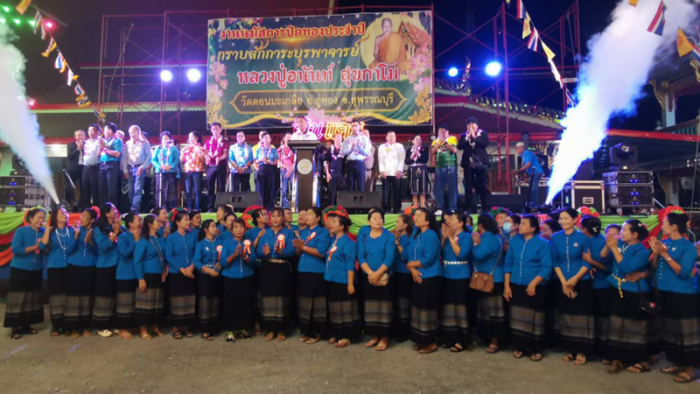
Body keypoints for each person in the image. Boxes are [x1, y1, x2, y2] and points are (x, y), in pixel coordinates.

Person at [649, 212, 699, 383]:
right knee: (670, 331)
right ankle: (678, 362)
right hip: (664, 292)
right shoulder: (664, 243)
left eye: (664, 223)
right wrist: (656, 252)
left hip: (682, 295)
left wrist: (664, 254)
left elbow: (683, 272)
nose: (661, 226)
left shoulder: (688, 247)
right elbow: (654, 267)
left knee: (684, 333)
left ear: (673, 227)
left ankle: (690, 369)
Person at [602, 220, 654, 374]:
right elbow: (602, 258)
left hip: (634, 292)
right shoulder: (620, 245)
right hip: (616, 288)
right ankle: (617, 357)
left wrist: (614, 249)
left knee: (633, 326)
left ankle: (639, 359)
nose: (621, 233)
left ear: (635, 234)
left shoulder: (642, 251)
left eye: (624, 230)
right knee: (616, 324)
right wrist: (608, 245)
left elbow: (627, 268)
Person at [503, 214, 552, 361]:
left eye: (523, 224)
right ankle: (519, 346)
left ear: (532, 228)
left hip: (535, 287)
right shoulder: (515, 241)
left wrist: (533, 284)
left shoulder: (542, 243)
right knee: (518, 317)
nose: (520, 226)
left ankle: (535, 348)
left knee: (535, 318)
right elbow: (508, 264)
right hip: (516, 285)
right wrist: (507, 285)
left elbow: (546, 267)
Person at [551, 208, 594, 366]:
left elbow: (587, 261)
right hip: (562, 282)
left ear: (575, 220)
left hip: (581, 282)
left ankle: (582, 350)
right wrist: (564, 282)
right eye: (560, 219)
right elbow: (554, 261)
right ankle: (570, 348)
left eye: (566, 218)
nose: (562, 221)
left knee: (581, 316)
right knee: (566, 314)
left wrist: (575, 279)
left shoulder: (583, 238)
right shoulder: (555, 238)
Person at [403, 208, 442, 354]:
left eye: (419, 216)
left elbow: (428, 258)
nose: (415, 217)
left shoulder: (431, 235)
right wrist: (412, 268)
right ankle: (421, 339)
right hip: (417, 275)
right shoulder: (417, 235)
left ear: (427, 221)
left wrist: (411, 265)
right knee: (418, 308)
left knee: (428, 309)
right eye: (415, 215)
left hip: (430, 277)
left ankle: (430, 342)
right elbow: (408, 254)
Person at [4, 208, 47, 339]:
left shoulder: (44, 232)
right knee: (18, 299)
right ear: (31, 219)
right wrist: (35, 246)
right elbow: (16, 250)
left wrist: (43, 245)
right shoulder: (21, 231)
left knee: (31, 298)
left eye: (43, 218)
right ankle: (15, 327)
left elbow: (45, 250)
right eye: (38, 217)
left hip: (36, 269)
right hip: (20, 269)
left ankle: (27, 325)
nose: (41, 220)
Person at [357, 208, 395, 351]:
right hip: (368, 276)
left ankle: (384, 337)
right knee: (370, 306)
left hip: (384, 276)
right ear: (368, 221)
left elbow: (390, 257)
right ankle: (374, 336)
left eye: (380, 218)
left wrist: (377, 274)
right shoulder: (363, 233)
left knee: (384, 307)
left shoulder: (388, 236)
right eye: (375, 218)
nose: (378, 220)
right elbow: (360, 256)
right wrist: (370, 274)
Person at [256, 208, 296, 342]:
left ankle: (282, 329)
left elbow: (292, 251)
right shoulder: (265, 233)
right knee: (268, 297)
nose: (275, 219)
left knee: (282, 298)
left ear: (283, 219)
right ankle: (270, 328)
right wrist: (264, 252)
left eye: (278, 216)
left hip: (282, 268)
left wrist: (280, 251)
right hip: (267, 267)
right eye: (272, 216)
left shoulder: (289, 233)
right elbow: (258, 252)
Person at [293, 207, 331, 344]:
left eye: (310, 214)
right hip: (303, 270)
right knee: (304, 302)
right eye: (306, 214)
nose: (306, 216)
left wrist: (302, 247)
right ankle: (306, 331)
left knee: (316, 304)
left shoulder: (323, 233)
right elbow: (297, 253)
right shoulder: (304, 232)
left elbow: (321, 252)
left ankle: (317, 332)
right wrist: (298, 246)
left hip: (316, 271)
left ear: (318, 218)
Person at [471, 213, 507, 354]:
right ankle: (487, 337)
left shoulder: (487, 239)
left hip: (491, 278)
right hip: (491, 277)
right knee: (485, 310)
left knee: (493, 311)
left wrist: (475, 243)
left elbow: (479, 255)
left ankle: (495, 340)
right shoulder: (496, 237)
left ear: (481, 226)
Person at [324, 210, 360, 348]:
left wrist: (350, 284)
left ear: (342, 227)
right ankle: (337, 333)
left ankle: (348, 335)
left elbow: (350, 263)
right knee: (334, 308)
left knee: (346, 309)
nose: (330, 224)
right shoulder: (334, 240)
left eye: (334, 222)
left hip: (344, 280)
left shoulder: (348, 242)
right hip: (331, 279)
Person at [440, 211, 473, 353]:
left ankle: (462, 339)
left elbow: (461, 254)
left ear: (460, 223)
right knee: (448, 307)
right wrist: (444, 238)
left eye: (452, 219)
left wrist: (452, 239)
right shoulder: (448, 236)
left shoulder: (466, 237)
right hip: (446, 274)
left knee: (460, 308)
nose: (449, 221)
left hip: (461, 276)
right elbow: (441, 252)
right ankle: (449, 336)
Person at [41, 207, 77, 337]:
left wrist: (76, 236)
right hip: (54, 268)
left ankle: (67, 324)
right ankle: (56, 325)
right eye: (62, 212)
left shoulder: (71, 230)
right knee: (56, 297)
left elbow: (72, 249)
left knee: (68, 296)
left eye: (66, 212)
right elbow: (42, 246)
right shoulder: (51, 231)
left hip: (69, 267)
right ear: (55, 216)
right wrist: (46, 231)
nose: (65, 214)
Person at [580, 216, 612, 363]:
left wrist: (590, 262)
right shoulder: (602, 240)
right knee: (600, 320)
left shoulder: (604, 243)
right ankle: (600, 351)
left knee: (595, 319)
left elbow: (608, 268)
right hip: (590, 284)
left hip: (599, 286)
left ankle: (598, 351)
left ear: (584, 228)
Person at [219, 218, 256, 342]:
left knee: (245, 303)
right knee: (231, 304)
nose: (239, 230)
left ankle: (242, 328)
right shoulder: (227, 242)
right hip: (231, 278)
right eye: (236, 227)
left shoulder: (248, 242)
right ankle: (229, 330)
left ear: (245, 229)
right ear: (231, 230)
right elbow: (223, 262)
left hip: (246, 277)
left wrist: (246, 256)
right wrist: (234, 255)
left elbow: (254, 261)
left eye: (241, 227)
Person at [64, 207, 99, 338]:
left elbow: (97, 252)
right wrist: (75, 236)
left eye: (86, 217)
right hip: (75, 266)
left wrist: (90, 241)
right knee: (74, 297)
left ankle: (85, 326)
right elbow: (69, 250)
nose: (82, 218)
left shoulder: (96, 232)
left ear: (92, 220)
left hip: (90, 266)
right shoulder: (74, 230)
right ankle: (73, 327)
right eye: (82, 216)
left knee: (87, 296)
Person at [165, 211, 198, 339]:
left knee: (189, 299)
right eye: (185, 220)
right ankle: (176, 327)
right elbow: (169, 256)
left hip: (191, 271)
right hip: (176, 274)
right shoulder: (171, 237)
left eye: (188, 219)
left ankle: (187, 326)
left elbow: (197, 252)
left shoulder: (193, 234)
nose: (188, 222)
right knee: (177, 300)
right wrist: (182, 269)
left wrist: (191, 267)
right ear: (177, 222)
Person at [134, 214, 166, 340]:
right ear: (150, 224)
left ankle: (154, 325)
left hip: (159, 274)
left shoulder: (160, 238)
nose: (159, 223)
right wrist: (141, 279)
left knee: (156, 302)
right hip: (148, 275)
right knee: (145, 303)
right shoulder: (143, 241)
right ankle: (143, 328)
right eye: (156, 221)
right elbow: (137, 261)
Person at [92, 203, 122, 338]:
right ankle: (101, 325)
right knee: (104, 296)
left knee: (114, 295)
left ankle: (112, 323)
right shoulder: (99, 229)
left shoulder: (117, 226)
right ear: (107, 214)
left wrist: (119, 229)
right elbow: (103, 246)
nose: (116, 212)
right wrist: (115, 233)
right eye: (113, 210)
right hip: (105, 266)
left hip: (117, 265)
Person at [193, 219, 224, 341]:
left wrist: (220, 264)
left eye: (215, 226)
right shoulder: (201, 244)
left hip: (218, 275)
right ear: (206, 230)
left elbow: (224, 257)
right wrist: (206, 269)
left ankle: (214, 328)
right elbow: (196, 261)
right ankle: (204, 329)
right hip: (205, 276)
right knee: (205, 301)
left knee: (216, 300)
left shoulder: (220, 242)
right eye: (212, 226)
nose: (215, 228)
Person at [115, 212, 142, 339]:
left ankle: (131, 325)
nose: (141, 222)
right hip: (125, 273)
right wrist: (135, 242)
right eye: (138, 220)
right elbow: (125, 254)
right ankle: (122, 328)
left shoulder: (142, 236)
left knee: (134, 302)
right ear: (130, 223)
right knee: (124, 302)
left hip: (138, 273)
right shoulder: (123, 236)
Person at [459, 117, 490, 213]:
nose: (471, 126)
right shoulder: (464, 135)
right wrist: (468, 137)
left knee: (481, 186)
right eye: (469, 124)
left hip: (480, 164)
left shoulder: (483, 134)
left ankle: (485, 208)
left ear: (477, 125)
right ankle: (469, 208)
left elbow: (485, 144)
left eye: (473, 124)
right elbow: (460, 146)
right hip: (468, 164)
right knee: (468, 187)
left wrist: (475, 137)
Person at [392, 213, 413, 342]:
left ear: (405, 225)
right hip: (395, 272)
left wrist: (397, 242)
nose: (395, 224)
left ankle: (405, 330)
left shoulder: (410, 238)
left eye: (398, 222)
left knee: (404, 302)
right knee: (396, 302)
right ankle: (397, 328)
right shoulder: (398, 236)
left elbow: (405, 256)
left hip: (405, 274)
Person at [123, 125, 151, 212]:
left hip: (140, 167)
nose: (131, 134)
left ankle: (135, 208)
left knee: (138, 189)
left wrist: (142, 167)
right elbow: (125, 157)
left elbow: (149, 156)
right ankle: (132, 206)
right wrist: (125, 170)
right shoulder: (128, 143)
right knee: (131, 190)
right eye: (130, 133)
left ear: (138, 132)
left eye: (133, 132)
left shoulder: (145, 143)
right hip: (130, 167)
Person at [431, 124, 458, 212]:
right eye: (439, 132)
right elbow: (432, 152)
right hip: (439, 167)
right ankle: (440, 207)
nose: (441, 134)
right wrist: (438, 143)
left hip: (450, 167)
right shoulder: (435, 141)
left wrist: (445, 142)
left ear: (447, 132)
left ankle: (452, 207)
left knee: (452, 187)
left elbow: (454, 150)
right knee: (438, 188)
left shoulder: (452, 139)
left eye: (443, 132)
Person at [378, 131, 405, 213]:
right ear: (386, 137)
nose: (392, 138)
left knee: (397, 191)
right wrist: (382, 170)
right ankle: (386, 208)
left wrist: (400, 170)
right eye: (390, 136)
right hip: (386, 172)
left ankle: (397, 209)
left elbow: (402, 159)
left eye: (393, 136)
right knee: (386, 192)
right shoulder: (382, 146)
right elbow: (380, 160)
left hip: (396, 172)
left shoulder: (400, 146)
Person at [152, 132, 180, 210]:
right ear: (161, 140)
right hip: (160, 173)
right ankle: (160, 209)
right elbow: (153, 160)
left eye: (167, 138)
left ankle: (171, 210)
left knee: (171, 192)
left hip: (171, 173)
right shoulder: (158, 148)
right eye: (164, 139)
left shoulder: (174, 149)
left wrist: (170, 166)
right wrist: (159, 166)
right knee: (160, 192)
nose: (166, 140)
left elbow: (177, 160)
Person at [205, 122, 229, 212]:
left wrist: (219, 158)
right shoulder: (208, 142)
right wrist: (206, 157)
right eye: (213, 129)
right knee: (210, 186)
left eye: (217, 129)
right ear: (211, 130)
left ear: (220, 130)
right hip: (211, 166)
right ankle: (210, 207)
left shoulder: (224, 141)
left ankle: (221, 207)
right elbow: (206, 153)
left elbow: (225, 154)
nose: (215, 131)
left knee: (221, 186)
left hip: (221, 166)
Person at [341, 121, 371, 191]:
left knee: (361, 185)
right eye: (352, 126)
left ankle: (361, 202)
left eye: (356, 126)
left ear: (359, 127)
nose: (354, 128)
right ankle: (350, 202)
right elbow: (342, 153)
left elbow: (367, 152)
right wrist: (350, 148)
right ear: (351, 127)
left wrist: (360, 147)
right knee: (350, 186)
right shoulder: (347, 139)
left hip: (360, 163)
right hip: (350, 163)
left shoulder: (364, 138)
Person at [98, 122, 123, 206]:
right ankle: (103, 207)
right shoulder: (105, 141)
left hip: (112, 165)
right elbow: (99, 154)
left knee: (111, 188)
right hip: (102, 165)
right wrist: (100, 147)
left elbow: (117, 154)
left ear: (109, 130)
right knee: (102, 187)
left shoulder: (117, 141)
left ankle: (112, 208)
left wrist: (105, 148)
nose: (103, 132)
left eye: (104, 130)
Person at [180, 131, 205, 211]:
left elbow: (202, 160)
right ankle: (189, 207)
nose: (191, 139)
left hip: (197, 170)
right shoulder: (186, 148)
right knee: (188, 190)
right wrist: (183, 151)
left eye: (192, 137)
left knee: (197, 190)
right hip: (188, 171)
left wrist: (199, 152)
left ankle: (197, 208)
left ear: (196, 138)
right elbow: (182, 160)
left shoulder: (201, 147)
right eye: (189, 137)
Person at [253, 132, 279, 211]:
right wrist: (261, 160)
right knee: (260, 189)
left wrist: (271, 162)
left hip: (270, 169)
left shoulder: (274, 150)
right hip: (261, 169)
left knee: (270, 188)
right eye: (265, 138)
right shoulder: (258, 150)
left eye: (268, 138)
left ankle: (270, 207)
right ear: (262, 140)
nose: (267, 139)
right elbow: (254, 161)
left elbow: (276, 161)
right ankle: (261, 207)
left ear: (270, 140)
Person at [514, 142, 544, 209]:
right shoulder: (523, 155)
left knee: (533, 189)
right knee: (531, 189)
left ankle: (534, 206)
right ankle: (532, 205)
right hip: (532, 173)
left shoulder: (527, 153)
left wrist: (518, 171)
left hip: (536, 172)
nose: (516, 150)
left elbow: (528, 164)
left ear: (522, 148)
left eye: (517, 148)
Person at [406, 134, 430, 208]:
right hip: (412, 169)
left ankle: (422, 206)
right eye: (417, 139)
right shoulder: (409, 150)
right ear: (413, 141)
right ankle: (415, 206)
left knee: (422, 188)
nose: (419, 141)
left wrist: (418, 153)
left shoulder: (424, 149)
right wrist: (412, 155)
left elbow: (425, 159)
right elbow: (406, 161)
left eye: (420, 139)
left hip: (422, 169)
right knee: (414, 189)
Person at [81, 125, 102, 209]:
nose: (90, 132)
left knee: (95, 188)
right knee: (85, 187)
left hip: (95, 167)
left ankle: (96, 207)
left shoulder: (100, 141)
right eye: (89, 131)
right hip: (86, 167)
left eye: (93, 131)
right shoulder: (86, 142)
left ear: (98, 132)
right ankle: (86, 207)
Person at [325, 134, 345, 206]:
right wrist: (327, 173)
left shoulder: (344, 149)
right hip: (332, 174)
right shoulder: (330, 149)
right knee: (332, 193)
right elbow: (327, 162)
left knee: (342, 193)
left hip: (341, 174)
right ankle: (332, 210)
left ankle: (341, 210)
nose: (338, 140)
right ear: (334, 139)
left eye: (340, 138)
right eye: (337, 138)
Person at [67, 130, 85, 207]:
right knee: (69, 186)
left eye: (81, 135)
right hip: (73, 168)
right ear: (75, 137)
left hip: (84, 168)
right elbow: (70, 156)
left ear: (84, 136)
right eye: (78, 135)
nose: (80, 136)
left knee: (84, 187)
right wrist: (78, 149)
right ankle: (67, 203)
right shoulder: (71, 145)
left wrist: (83, 148)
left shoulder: (88, 145)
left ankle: (82, 204)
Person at [278, 133, 295, 209]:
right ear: (283, 139)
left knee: (294, 189)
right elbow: (278, 161)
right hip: (284, 170)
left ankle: (294, 205)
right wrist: (286, 167)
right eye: (287, 136)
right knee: (284, 189)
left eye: (290, 136)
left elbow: (297, 159)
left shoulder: (295, 149)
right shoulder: (280, 149)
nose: (289, 138)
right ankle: (284, 206)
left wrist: (291, 168)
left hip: (293, 170)